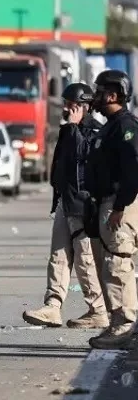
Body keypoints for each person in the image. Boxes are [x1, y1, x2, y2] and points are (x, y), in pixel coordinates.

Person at [23, 83, 107, 329]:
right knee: (58, 256)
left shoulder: (94, 132)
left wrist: (73, 127)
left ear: (84, 107)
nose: (67, 110)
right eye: (67, 105)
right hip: (65, 202)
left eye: (73, 106)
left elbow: (82, 157)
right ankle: (53, 306)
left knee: (84, 260)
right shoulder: (67, 130)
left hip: (83, 206)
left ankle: (98, 309)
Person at [82, 69, 138, 349]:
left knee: (118, 265)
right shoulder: (111, 126)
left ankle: (124, 327)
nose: (97, 98)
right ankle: (121, 324)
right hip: (107, 203)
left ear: (113, 94)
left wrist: (119, 206)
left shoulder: (125, 125)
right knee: (111, 266)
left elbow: (133, 168)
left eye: (101, 92)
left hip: (119, 205)